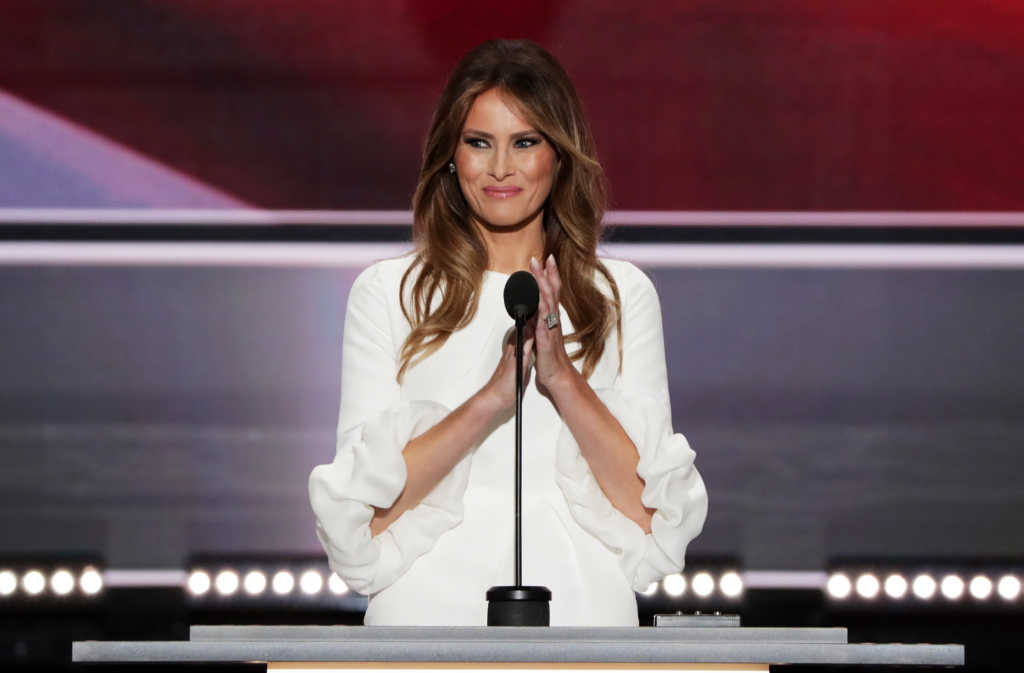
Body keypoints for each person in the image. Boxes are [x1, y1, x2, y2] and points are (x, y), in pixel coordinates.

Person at [308, 39, 707, 626]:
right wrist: (492, 400)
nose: (500, 168)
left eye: (525, 142)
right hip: (425, 625)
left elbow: (653, 520)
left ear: (559, 155)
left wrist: (563, 381)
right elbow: (362, 520)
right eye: (479, 143)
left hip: (583, 619)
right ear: (451, 155)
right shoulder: (390, 294)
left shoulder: (618, 296)